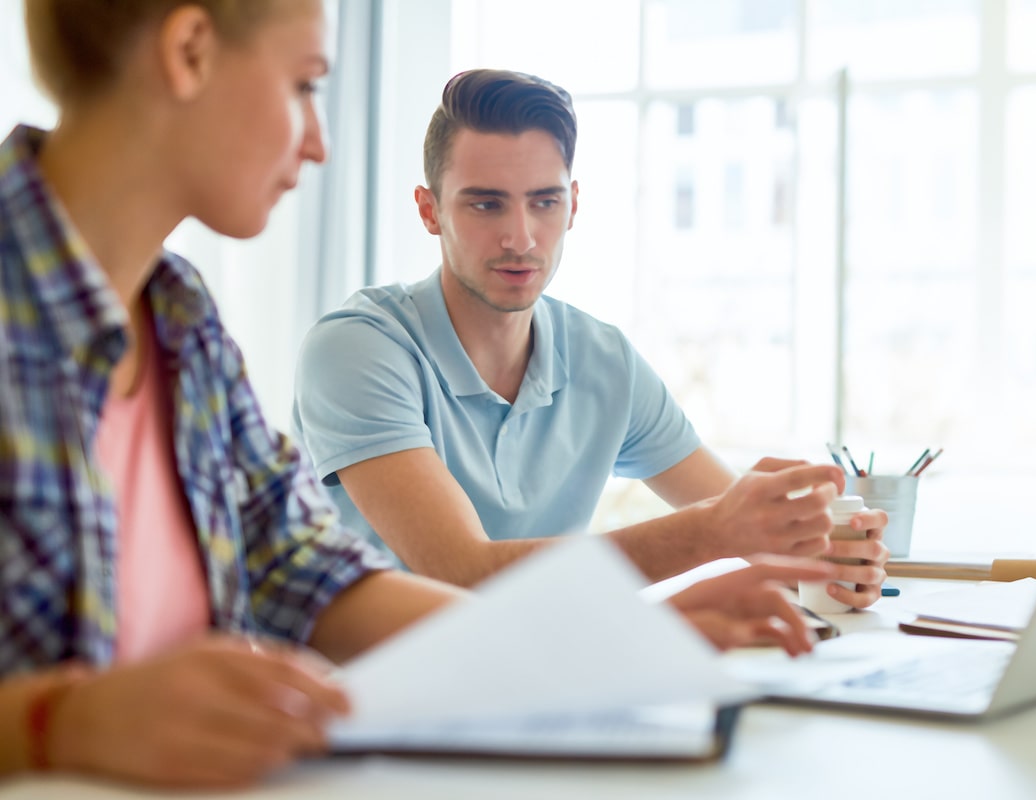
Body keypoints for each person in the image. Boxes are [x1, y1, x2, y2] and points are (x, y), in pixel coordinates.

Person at [0, 3, 840, 790]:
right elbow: (459, 571)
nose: (321, 142)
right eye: (304, 85)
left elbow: (311, 576)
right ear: (188, 52)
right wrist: (57, 722)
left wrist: (613, 644)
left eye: (544, 202)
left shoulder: (183, 324)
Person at [293, 69, 890, 602]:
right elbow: (463, 574)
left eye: (544, 201)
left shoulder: (604, 361)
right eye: (486, 206)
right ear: (430, 211)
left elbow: (742, 525)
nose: (521, 237)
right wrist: (715, 531)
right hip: (369, 704)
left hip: (545, 688)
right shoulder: (358, 350)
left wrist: (828, 560)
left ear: (573, 204)